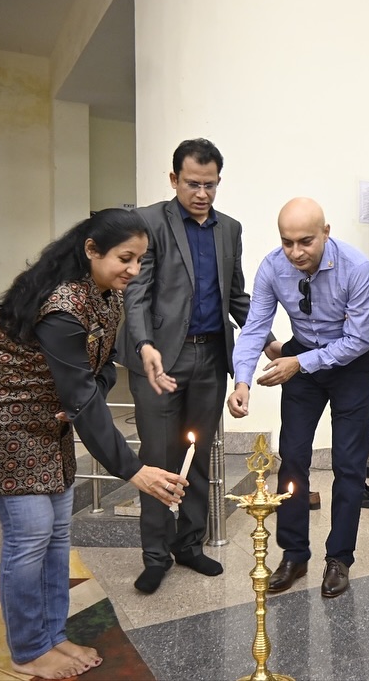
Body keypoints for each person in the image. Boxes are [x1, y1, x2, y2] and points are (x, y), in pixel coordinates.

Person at [0, 209, 188, 680]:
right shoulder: (64, 305)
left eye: (139, 260)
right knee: (29, 536)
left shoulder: (107, 296)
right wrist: (133, 469)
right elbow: (84, 394)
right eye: (125, 258)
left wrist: (110, 375)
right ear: (91, 250)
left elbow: (100, 373)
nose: (133, 269)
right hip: (6, 419)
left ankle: (53, 635)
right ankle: (29, 650)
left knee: (56, 533)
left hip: (51, 419)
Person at [118, 138, 277, 594]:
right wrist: (144, 345)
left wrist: (268, 341)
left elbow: (236, 297)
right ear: (174, 180)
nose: (202, 193)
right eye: (192, 184)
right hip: (159, 359)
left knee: (199, 455)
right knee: (157, 458)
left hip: (210, 357)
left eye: (210, 184)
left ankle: (189, 544)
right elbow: (136, 295)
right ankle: (155, 555)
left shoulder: (230, 229)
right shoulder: (149, 222)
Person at [228, 197, 369, 599]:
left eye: (306, 242)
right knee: (292, 457)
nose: (295, 252)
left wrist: (299, 363)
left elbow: (359, 339)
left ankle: (339, 558)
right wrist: (241, 381)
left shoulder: (356, 268)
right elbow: (255, 326)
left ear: (325, 233)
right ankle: (294, 554)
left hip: (351, 363)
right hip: (302, 357)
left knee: (348, 464)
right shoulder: (272, 267)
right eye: (287, 242)